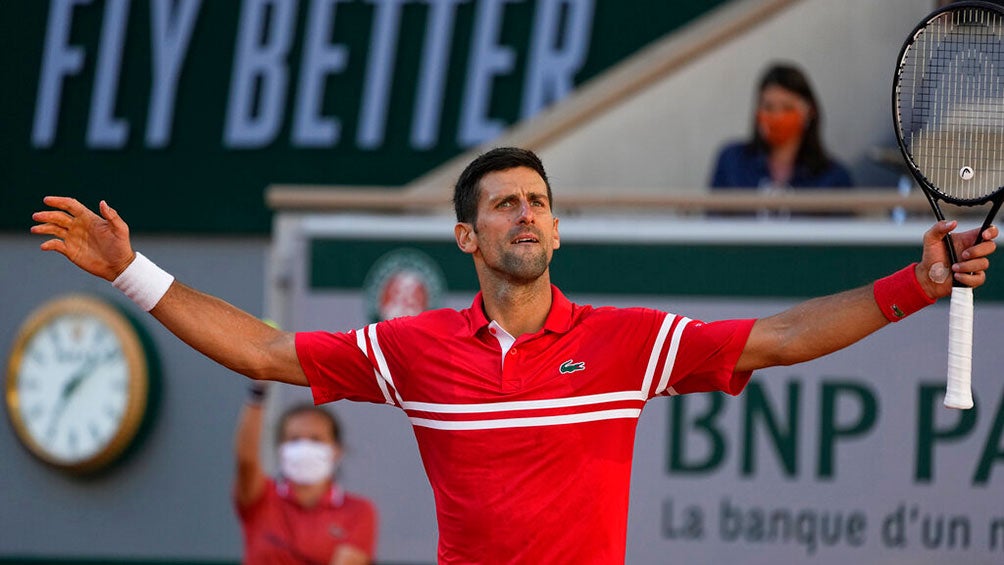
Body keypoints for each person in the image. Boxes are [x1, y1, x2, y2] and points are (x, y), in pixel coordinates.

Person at [31, 147, 997, 564]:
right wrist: (133, 274)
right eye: (504, 202)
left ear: (558, 228)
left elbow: (781, 338)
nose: (525, 212)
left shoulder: (628, 340)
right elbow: (272, 349)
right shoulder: (414, 351)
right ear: (468, 237)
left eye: (537, 200)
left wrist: (916, 285)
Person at [235, 380, 377, 565]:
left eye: (315, 439)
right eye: (294, 439)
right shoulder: (263, 498)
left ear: (336, 450)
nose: (304, 447)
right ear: (280, 448)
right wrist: (258, 393)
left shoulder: (359, 511)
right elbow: (246, 461)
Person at [710, 63, 854, 200]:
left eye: (787, 108)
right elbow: (713, 221)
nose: (777, 116)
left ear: (809, 112)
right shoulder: (732, 162)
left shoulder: (832, 178)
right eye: (768, 107)